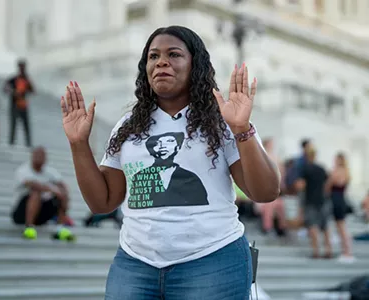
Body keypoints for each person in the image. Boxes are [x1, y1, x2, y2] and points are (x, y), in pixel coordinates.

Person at [61, 26, 280, 299]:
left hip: (212, 263)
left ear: (195, 66)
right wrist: (78, 144)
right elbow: (102, 203)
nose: (161, 61)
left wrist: (242, 128)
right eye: (153, 57)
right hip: (135, 266)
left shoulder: (222, 121)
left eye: (173, 54)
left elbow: (266, 192)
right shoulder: (127, 127)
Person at [11, 147, 75, 241]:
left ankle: (60, 228)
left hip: (41, 213)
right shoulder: (23, 170)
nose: (40, 158)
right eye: (38, 155)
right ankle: (29, 228)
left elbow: (62, 185)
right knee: (36, 193)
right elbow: (32, 184)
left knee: (62, 193)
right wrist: (52, 189)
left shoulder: (50, 171)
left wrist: (62, 192)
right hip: (22, 212)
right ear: (32, 156)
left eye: (42, 156)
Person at [295, 148, 332, 259]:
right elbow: (327, 184)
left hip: (310, 200)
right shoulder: (321, 168)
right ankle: (328, 250)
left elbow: (300, 185)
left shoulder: (304, 169)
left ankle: (316, 251)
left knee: (312, 225)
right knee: (325, 226)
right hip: (322, 200)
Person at [326, 153, 355, 262]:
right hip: (339, 199)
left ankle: (347, 252)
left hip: (337, 199)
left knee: (341, 227)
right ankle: (346, 251)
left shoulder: (338, 172)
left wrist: (331, 177)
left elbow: (330, 185)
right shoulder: (346, 172)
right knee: (340, 227)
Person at [258, 138, 287, 236]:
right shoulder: (264, 156)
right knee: (269, 207)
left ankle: (281, 228)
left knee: (280, 207)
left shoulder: (275, 157)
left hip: (275, 187)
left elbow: (281, 173)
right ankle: (268, 227)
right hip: (266, 188)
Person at [3, 59, 35, 147]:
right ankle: (11, 143)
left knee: (26, 126)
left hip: (23, 106)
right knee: (13, 125)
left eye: (23, 67)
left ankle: (28, 144)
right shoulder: (13, 79)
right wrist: (13, 91)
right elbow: (5, 88)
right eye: (21, 67)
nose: (22, 69)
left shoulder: (27, 80)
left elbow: (33, 90)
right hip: (14, 106)